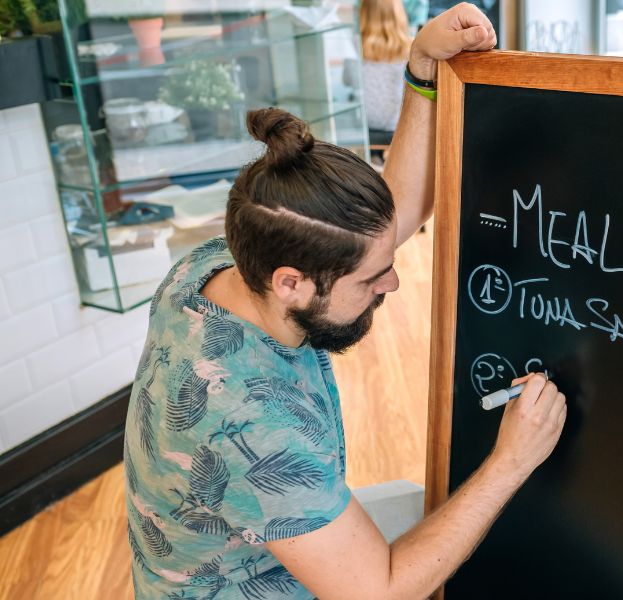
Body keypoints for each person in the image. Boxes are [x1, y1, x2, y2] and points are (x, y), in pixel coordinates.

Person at [123, 4, 568, 599]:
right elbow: (378, 592)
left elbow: (392, 216)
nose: (392, 285)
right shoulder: (255, 427)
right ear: (291, 282)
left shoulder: (217, 261)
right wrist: (509, 461)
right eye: (370, 280)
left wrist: (421, 70)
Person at [355, 0, 412, 153]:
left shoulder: (355, 47)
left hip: (365, 123)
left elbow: (347, 79)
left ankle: (374, 158)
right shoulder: (410, 49)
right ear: (399, 15)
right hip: (395, 124)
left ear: (363, 14)